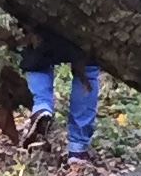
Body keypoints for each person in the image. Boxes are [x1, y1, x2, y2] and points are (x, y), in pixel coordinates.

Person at [20, 25, 102, 162]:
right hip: (85, 26)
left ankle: (42, 107)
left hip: (44, 24)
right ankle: (77, 150)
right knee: (88, 70)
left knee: (37, 60)